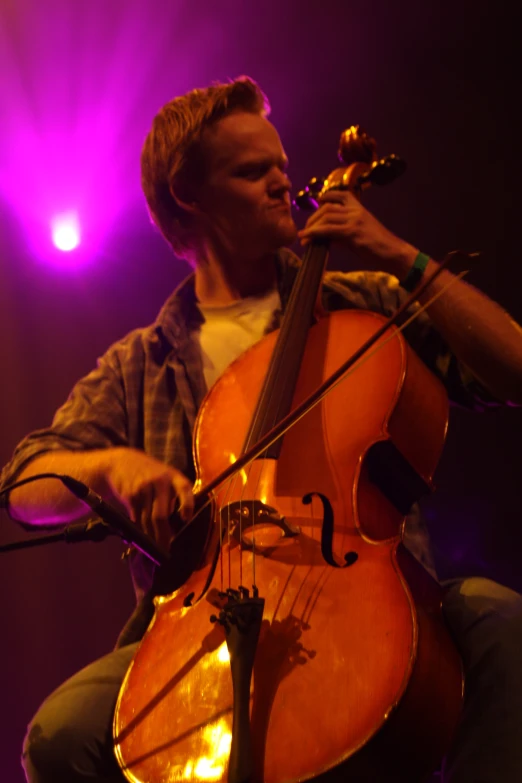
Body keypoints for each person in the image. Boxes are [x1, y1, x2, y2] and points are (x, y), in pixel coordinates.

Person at [1, 76, 522, 783]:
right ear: (191, 196)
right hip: (202, 623)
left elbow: (514, 371)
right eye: (254, 172)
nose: (286, 185)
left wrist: (404, 257)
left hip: (373, 591)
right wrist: (112, 470)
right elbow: (25, 485)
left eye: (282, 166)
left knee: (499, 622)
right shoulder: (139, 363)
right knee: (62, 734)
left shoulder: (358, 305)